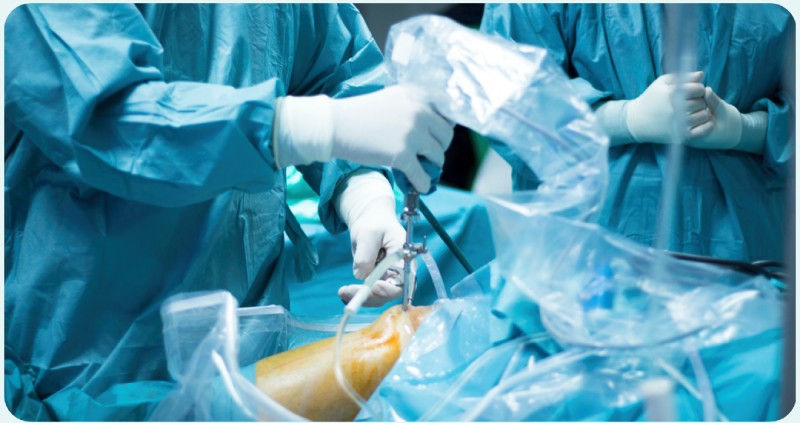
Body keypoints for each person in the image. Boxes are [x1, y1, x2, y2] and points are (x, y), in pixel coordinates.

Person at [4, 4, 452, 420]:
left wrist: (364, 192)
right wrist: (313, 126)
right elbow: (109, 118)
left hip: (248, 335)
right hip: (88, 349)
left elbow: (329, 67)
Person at [480, 3, 793, 263]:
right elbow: (510, 100)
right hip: (590, 254)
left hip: (747, 251)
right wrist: (624, 119)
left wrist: (747, 129)